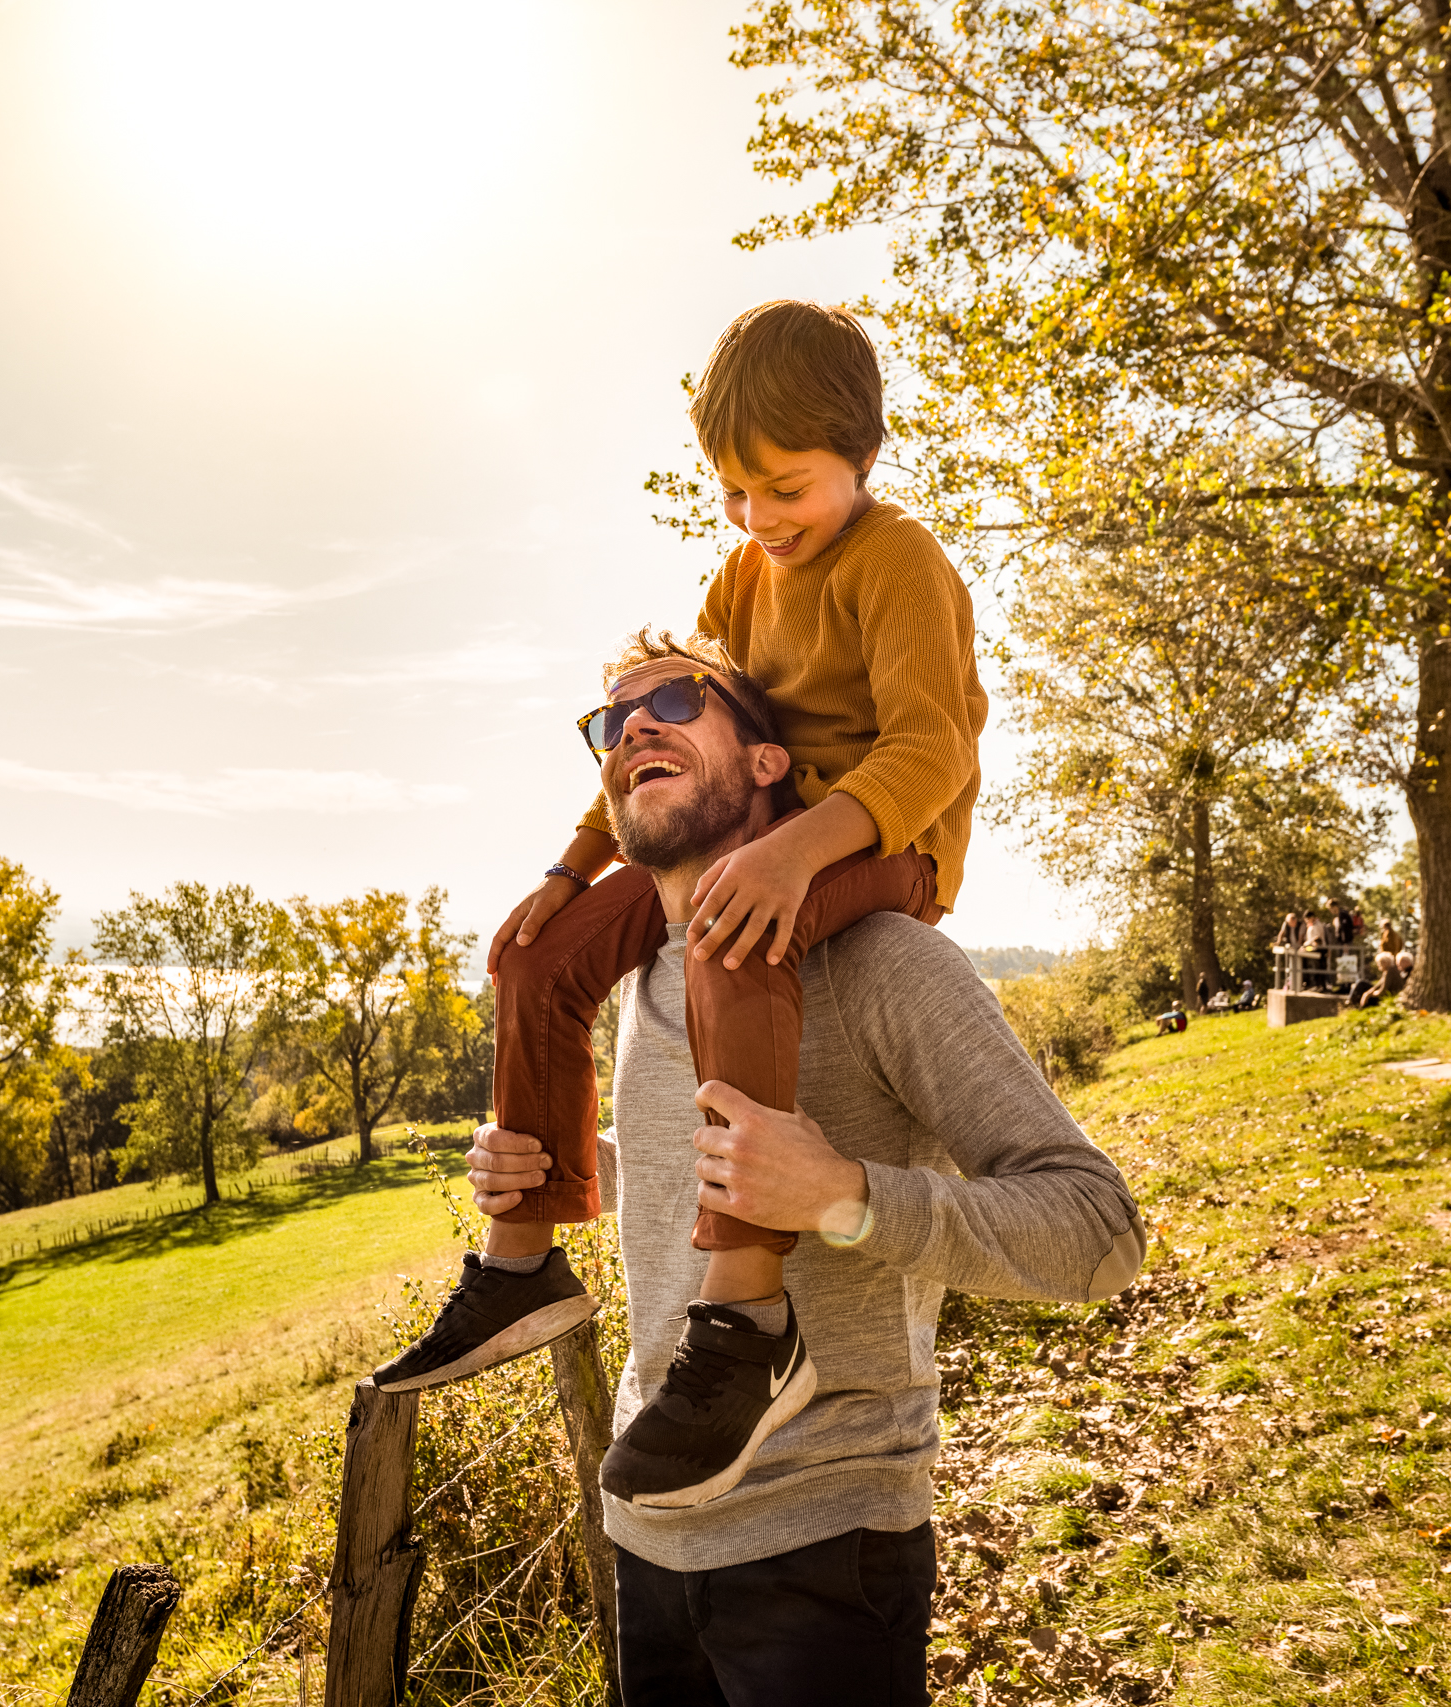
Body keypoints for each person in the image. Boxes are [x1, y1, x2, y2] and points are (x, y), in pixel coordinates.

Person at [374, 302, 991, 1511]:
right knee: (539, 957)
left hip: (885, 842)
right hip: (753, 827)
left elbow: (935, 750)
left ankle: (750, 1310)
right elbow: (682, 734)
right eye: (735, 494)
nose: (761, 519)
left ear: (862, 455)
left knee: (723, 919)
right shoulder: (743, 573)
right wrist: (566, 868)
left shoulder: (899, 561)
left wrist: (791, 855)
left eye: (787, 489)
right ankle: (524, 1261)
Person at [459, 664, 1145, 1701]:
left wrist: (841, 1196)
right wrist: (564, 1169)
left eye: (679, 702)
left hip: (823, 1542)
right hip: (646, 1523)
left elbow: (1098, 1232)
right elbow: (689, 1164)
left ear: (771, 763)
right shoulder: (642, 979)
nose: (634, 723)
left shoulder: (882, 962)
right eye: (610, 720)